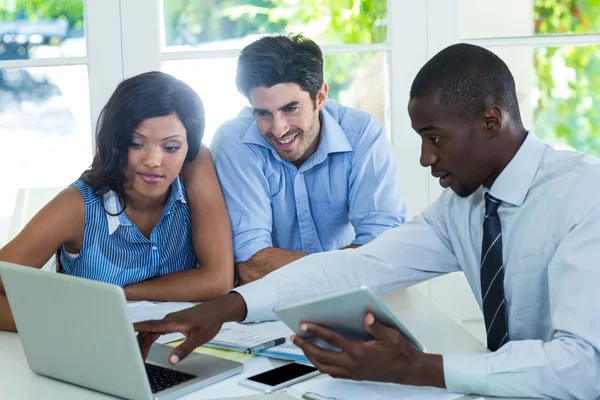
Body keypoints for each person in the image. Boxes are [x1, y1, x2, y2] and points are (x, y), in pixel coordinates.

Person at [134, 44, 600, 398]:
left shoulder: (585, 196)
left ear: (491, 122)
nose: (424, 158)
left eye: (435, 138)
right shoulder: (463, 206)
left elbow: (583, 367)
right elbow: (355, 267)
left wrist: (419, 368)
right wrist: (226, 306)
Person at [0, 71, 234, 332]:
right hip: (95, 354)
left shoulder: (194, 162)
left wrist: (117, 293)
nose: (153, 160)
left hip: (176, 352)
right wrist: (69, 320)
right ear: (115, 141)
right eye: (136, 143)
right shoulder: (76, 206)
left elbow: (218, 280)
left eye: (170, 148)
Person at [210, 34, 406, 285]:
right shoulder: (235, 142)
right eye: (263, 113)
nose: (278, 129)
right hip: (270, 304)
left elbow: (383, 254)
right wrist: (351, 266)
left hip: (350, 296)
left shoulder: (363, 135)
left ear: (320, 97)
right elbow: (251, 266)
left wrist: (284, 266)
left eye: (290, 109)